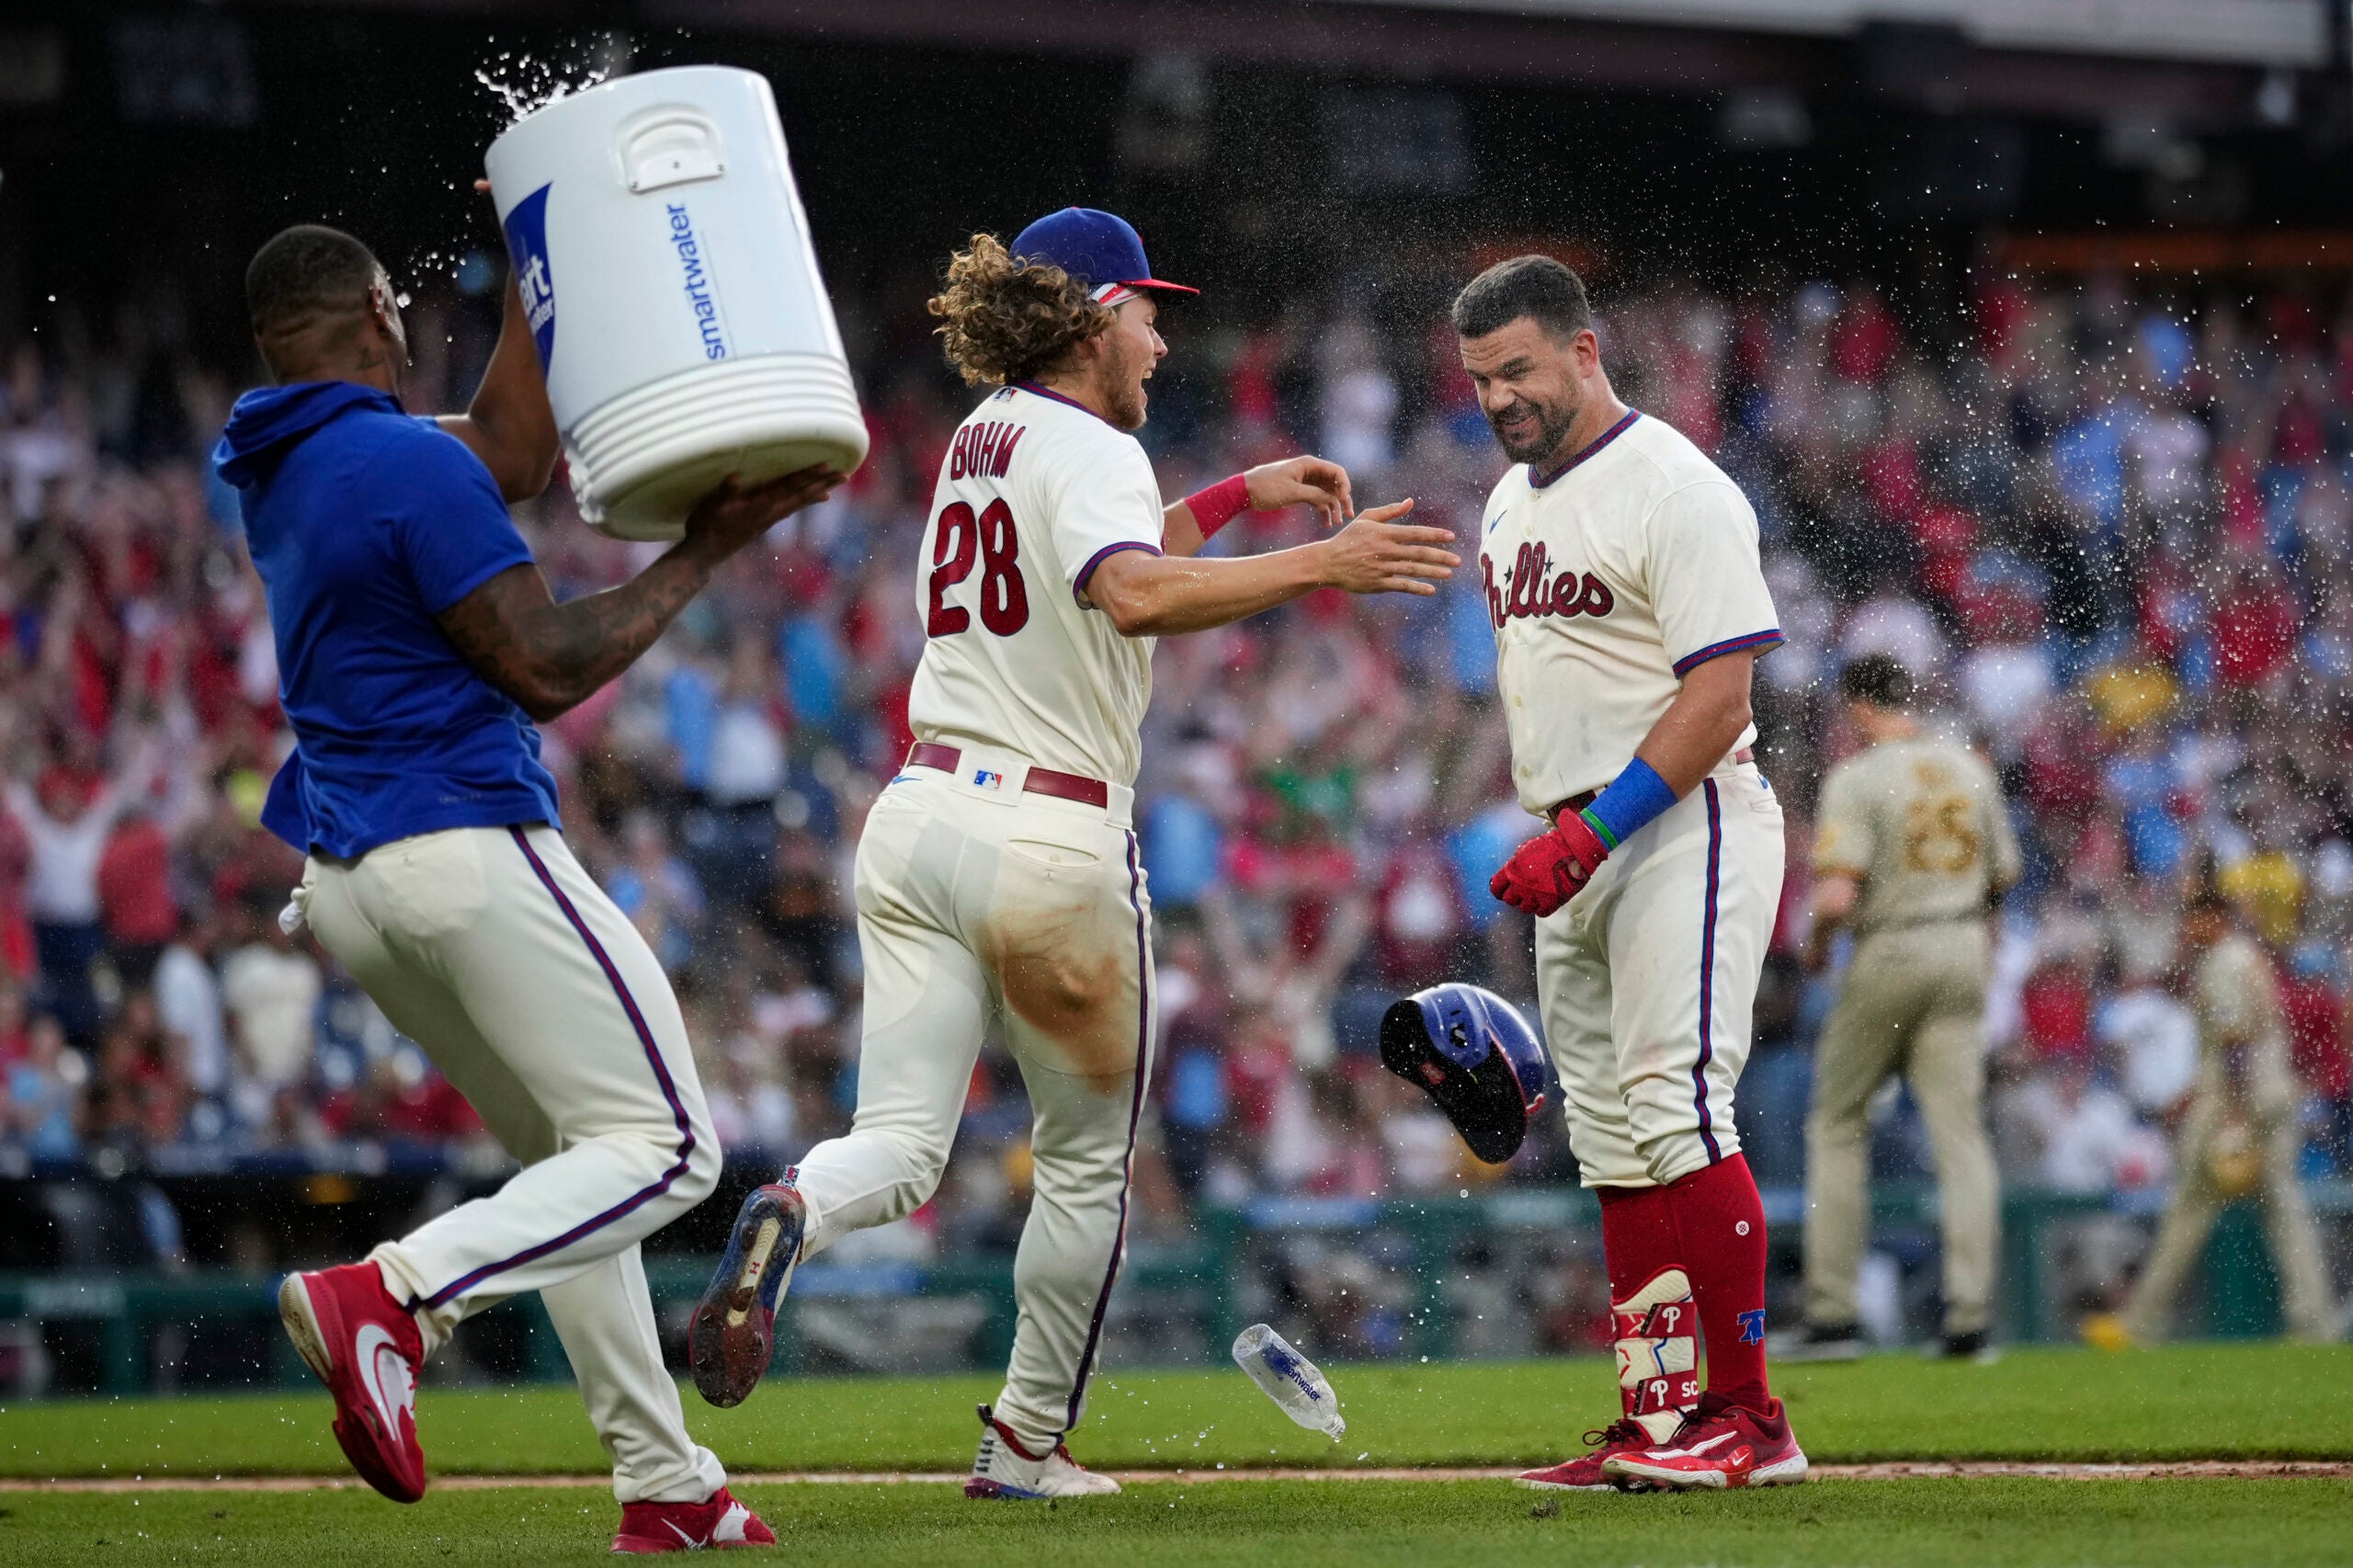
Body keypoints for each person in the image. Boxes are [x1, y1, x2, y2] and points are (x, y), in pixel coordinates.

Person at [687, 207, 1457, 1499]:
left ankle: (794, 1212)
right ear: (1095, 316)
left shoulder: (981, 440)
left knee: (899, 1142)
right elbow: (1134, 591)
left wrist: (1233, 494)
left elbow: (1101, 565)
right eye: (1148, 311)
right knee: (1090, 1158)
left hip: (921, 814)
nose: (1161, 338)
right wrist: (1323, 559)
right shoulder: (1092, 443)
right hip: (1049, 832)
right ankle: (1026, 1442)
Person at [215, 222, 836, 1551]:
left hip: (347, 878)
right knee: (672, 1148)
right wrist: (705, 550)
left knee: (582, 1156)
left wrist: (540, 243)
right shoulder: (394, 459)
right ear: (381, 314)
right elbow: (547, 664)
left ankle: (664, 1480)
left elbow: (505, 448)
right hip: (460, 843)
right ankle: (396, 1295)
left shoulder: (281, 451)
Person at [1461, 256, 1802, 1491]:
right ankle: (1655, 1417)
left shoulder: (1675, 486)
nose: (1499, 395)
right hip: (1578, 840)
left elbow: (1720, 699)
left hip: (1680, 822)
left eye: (1518, 368)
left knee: (1675, 1109)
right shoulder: (1506, 502)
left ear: (1585, 351)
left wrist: (1590, 833)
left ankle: (1752, 1416)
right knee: (1609, 1138)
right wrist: (1560, 833)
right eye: (1480, 377)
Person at [1788, 654, 2020, 1362]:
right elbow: (2000, 883)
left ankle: (1834, 1318)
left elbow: (1836, 896)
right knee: (1960, 1136)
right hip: (1962, 946)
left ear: (1858, 705)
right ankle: (1971, 1319)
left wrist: (1817, 942)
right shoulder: (1969, 769)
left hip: (1892, 947)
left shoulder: (1858, 777)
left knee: (1837, 1121)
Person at [2106, 869, 2336, 1346]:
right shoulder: (2246, 956)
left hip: (2238, 1102)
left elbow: (2235, 1041)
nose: (2186, 926)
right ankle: (2315, 1321)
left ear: (2213, 916)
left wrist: (2232, 1113)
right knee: (2284, 1213)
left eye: (2193, 916)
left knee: (2188, 1211)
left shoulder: (2224, 962)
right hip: (2268, 1094)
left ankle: (2142, 1322)